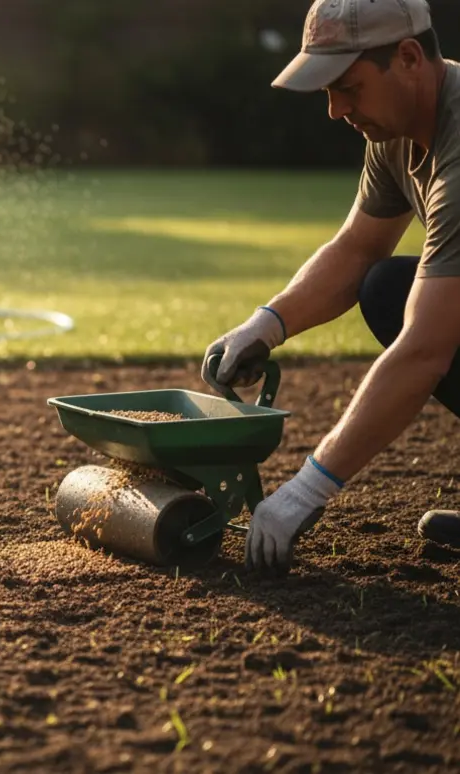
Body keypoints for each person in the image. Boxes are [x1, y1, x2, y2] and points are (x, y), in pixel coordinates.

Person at [204, 0, 460, 574]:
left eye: (347, 87)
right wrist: (266, 323)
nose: (335, 109)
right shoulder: (399, 131)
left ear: (410, 57)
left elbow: (425, 350)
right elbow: (357, 248)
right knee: (387, 286)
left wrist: (305, 491)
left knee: (423, 317)